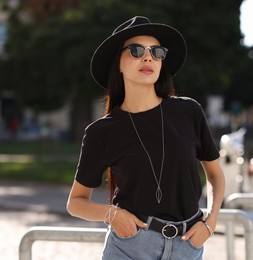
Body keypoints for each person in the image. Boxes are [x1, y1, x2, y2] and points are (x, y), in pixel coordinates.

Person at [67, 16, 225, 260]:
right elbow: (75, 203)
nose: (148, 57)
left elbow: (214, 174)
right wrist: (112, 214)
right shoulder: (102, 132)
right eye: (136, 50)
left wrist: (210, 223)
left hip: (188, 245)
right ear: (117, 63)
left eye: (157, 51)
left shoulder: (188, 111)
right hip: (130, 246)